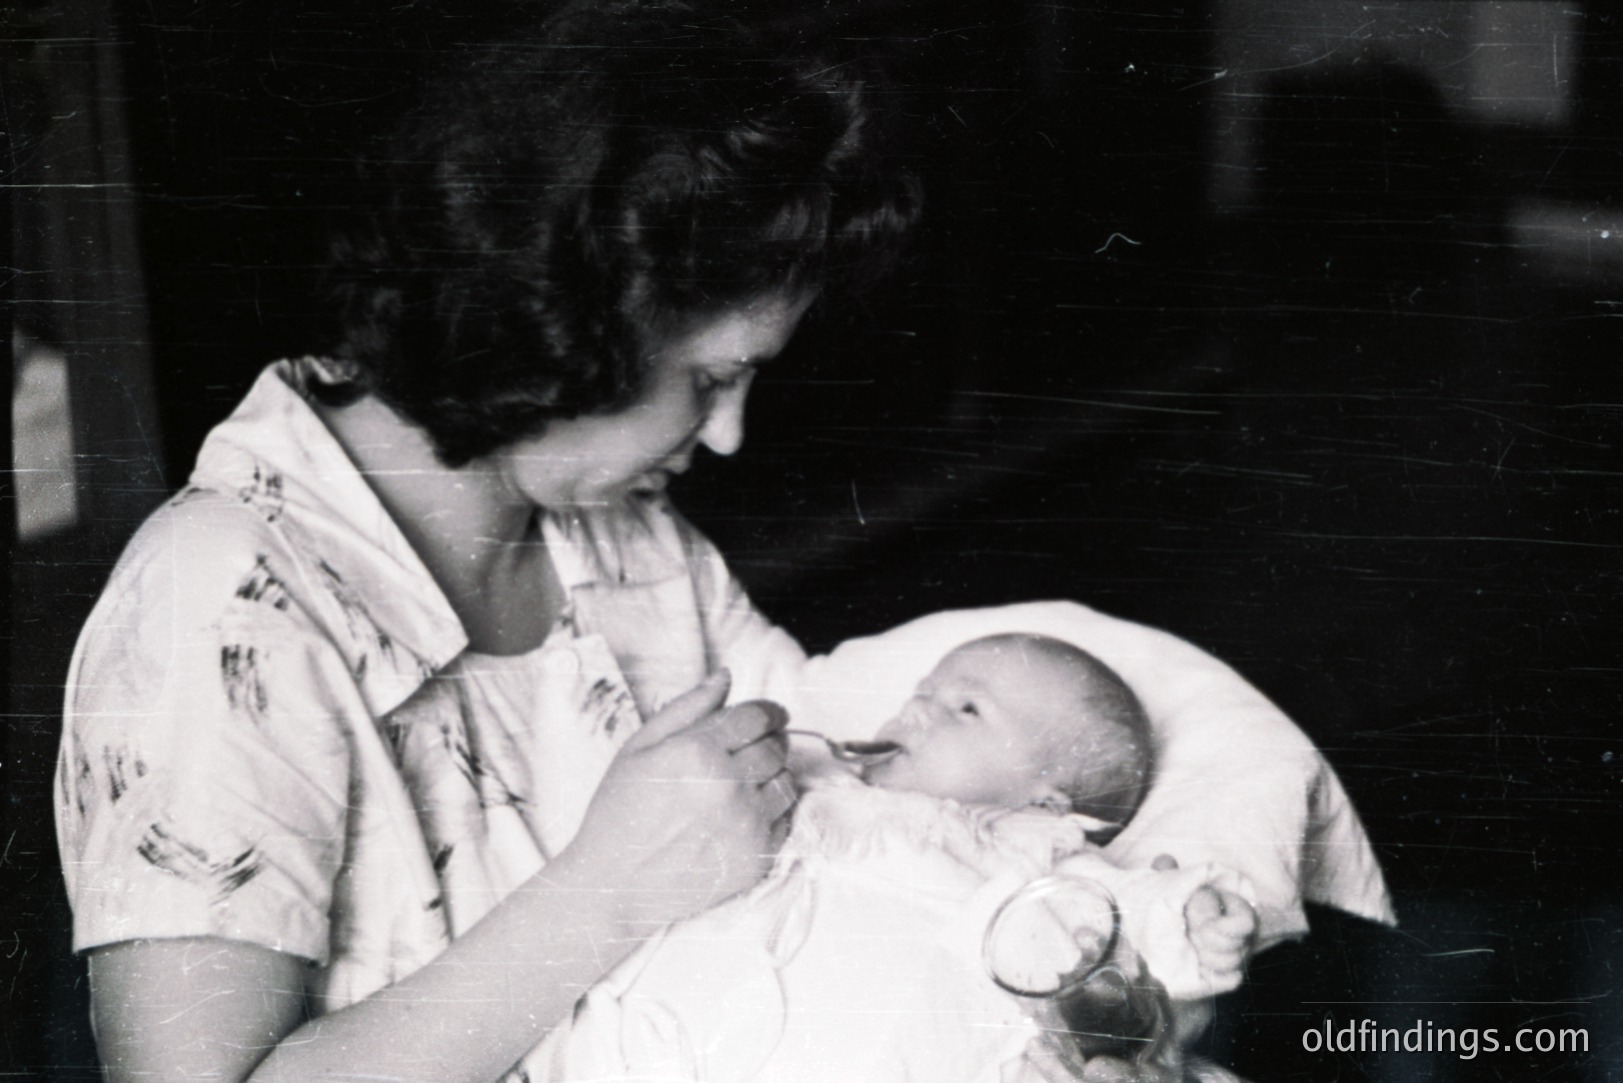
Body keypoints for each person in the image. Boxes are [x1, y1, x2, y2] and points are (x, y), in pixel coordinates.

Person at [53, 3, 920, 1081]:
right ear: (567, 317)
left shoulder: (625, 539)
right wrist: (603, 894)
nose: (732, 435)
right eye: (710, 378)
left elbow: (844, 786)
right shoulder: (219, 604)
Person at [528, 633, 1259, 1083]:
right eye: (922, 692)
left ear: (1044, 800)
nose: (916, 710)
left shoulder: (1029, 857)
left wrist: (1192, 918)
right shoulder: (816, 782)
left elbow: (1123, 923)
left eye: (965, 709)